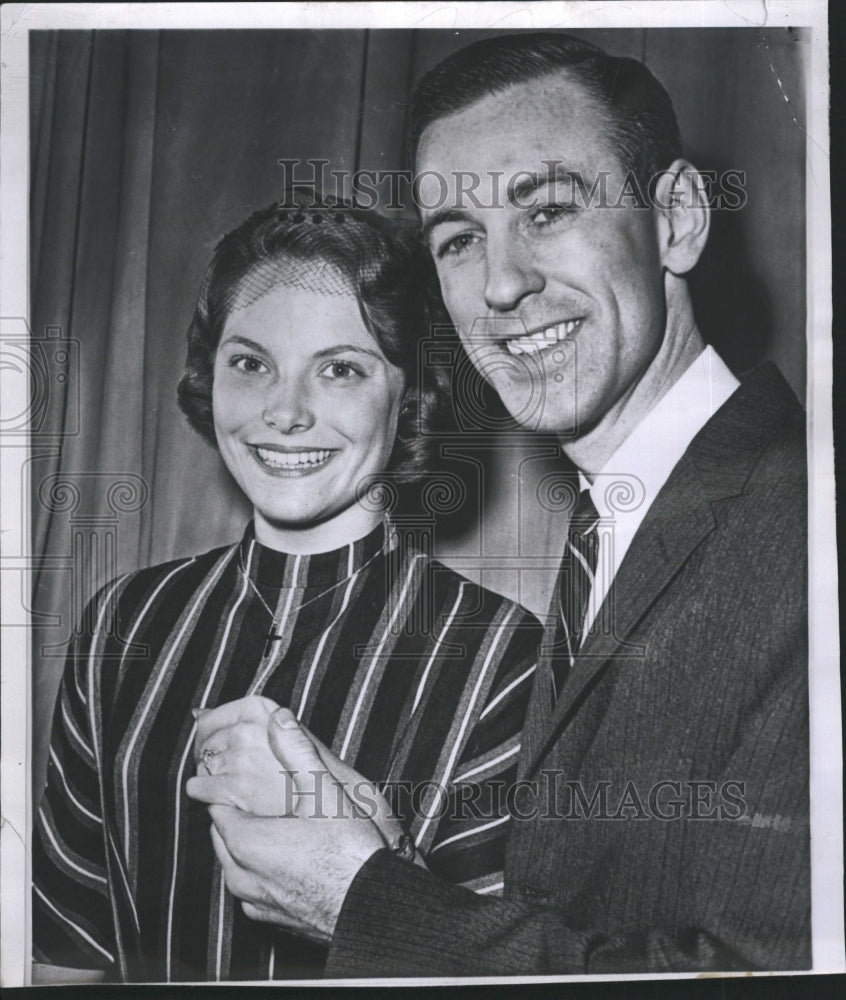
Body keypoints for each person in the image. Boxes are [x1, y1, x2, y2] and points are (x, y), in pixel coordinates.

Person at [198, 33, 810, 975]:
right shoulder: (619, 527)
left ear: (679, 218)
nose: (501, 283)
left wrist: (361, 899)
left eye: (550, 209)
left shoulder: (808, 529)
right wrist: (386, 858)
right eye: (458, 240)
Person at [31, 192, 542, 982]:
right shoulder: (123, 625)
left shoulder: (502, 656)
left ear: (411, 395)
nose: (284, 411)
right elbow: (66, 953)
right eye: (251, 363)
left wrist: (383, 866)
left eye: (340, 369)